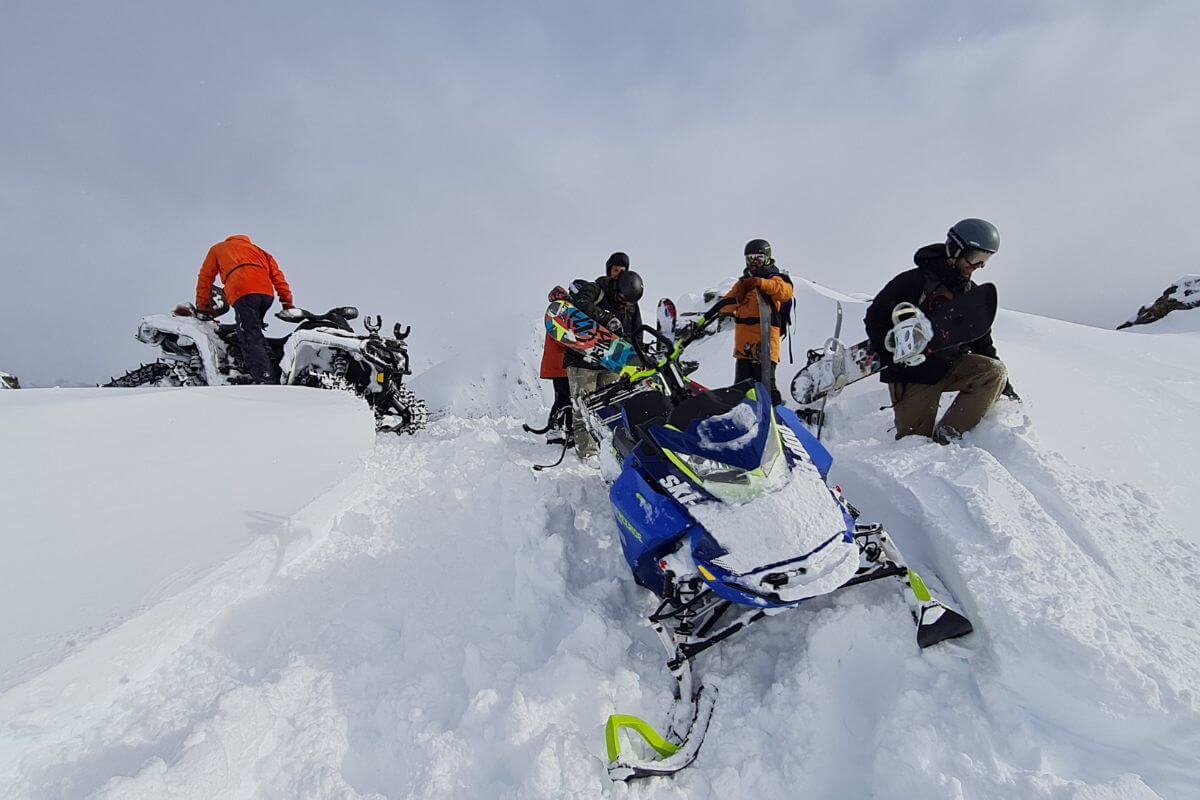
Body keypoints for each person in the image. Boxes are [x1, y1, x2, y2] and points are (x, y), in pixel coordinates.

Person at [864, 218, 1013, 442]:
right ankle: (923, 444)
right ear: (954, 249)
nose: (978, 266)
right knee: (913, 444)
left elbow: (982, 342)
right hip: (912, 375)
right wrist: (893, 354)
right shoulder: (914, 282)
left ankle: (947, 437)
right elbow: (874, 318)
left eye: (985, 259)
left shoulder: (970, 294)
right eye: (975, 257)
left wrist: (1006, 387)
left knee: (994, 371)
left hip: (950, 366)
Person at [564, 253, 645, 459]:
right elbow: (580, 302)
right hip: (583, 359)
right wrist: (605, 317)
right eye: (616, 270)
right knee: (582, 406)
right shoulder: (596, 289)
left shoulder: (630, 302)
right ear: (609, 270)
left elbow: (636, 332)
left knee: (609, 407)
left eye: (623, 270)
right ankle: (588, 453)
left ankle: (608, 450)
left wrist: (638, 357)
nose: (620, 274)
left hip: (612, 362)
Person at [196, 234, 294, 385]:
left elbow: (205, 278)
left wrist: (203, 307)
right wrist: (287, 303)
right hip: (266, 295)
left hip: (242, 291)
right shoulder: (260, 252)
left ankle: (264, 378)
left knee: (249, 336)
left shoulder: (218, 249)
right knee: (255, 332)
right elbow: (278, 278)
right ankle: (272, 366)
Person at [719, 239, 794, 405]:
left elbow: (785, 292)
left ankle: (776, 415)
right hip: (743, 348)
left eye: (758, 258)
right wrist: (740, 293)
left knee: (766, 387)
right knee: (740, 391)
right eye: (749, 258)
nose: (753, 263)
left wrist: (760, 283)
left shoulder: (775, 277)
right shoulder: (744, 282)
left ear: (767, 258)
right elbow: (726, 306)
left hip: (764, 344)